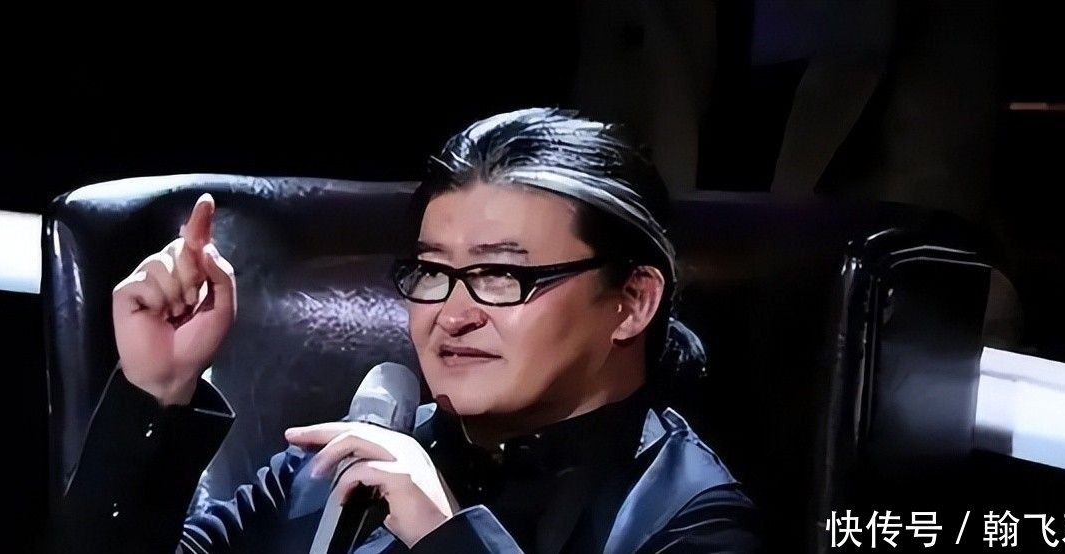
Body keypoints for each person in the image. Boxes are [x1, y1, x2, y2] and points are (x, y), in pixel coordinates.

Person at [54, 108, 760, 553]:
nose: (453, 313)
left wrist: (446, 538)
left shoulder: (687, 520)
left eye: (500, 275)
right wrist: (158, 388)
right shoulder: (335, 467)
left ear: (632, 301)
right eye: (431, 272)